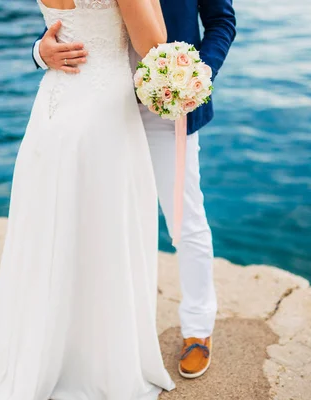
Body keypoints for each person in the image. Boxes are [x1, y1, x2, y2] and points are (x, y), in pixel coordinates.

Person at [0, 0, 176, 398]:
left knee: (48, 236)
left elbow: (61, 26)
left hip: (53, 110)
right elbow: (153, 44)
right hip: (102, 116)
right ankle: (98, 362)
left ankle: (44, 357)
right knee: (105, 239)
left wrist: (37, 53)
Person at [33, 0, 236, 380]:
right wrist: (39, 52)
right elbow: (68, 18)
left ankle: (197, 327)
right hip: (98, 105)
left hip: (166, 107)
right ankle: (110, 329)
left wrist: (194, 75)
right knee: (103, 220)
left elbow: (221, 21)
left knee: (184, 218)